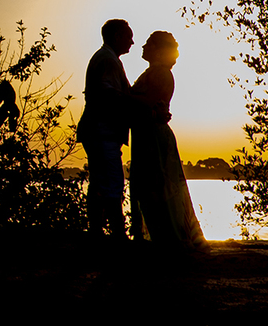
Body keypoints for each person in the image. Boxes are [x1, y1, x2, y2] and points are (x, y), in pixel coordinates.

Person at [128, 31, 208, 250]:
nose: (142, 47)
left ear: (159, 50)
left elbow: (149, 102)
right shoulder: (154, 72)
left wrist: (121, 95)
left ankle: (168, 236)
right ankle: (160, 235)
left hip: (154, 135)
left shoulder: (160, 73)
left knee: (159, 185)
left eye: (148, 44)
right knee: (151, 185)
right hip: (147, 133)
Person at [77, 19, 138, 239]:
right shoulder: (107, 60)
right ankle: (117, 235)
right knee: (112, 184)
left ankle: (97, 233)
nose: (132, 42)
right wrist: (139, 104)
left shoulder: (107, 58)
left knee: (100, 183)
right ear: (117, 36)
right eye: (129, 36)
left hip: (99, 131)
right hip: (102, 131)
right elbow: (110, 94)